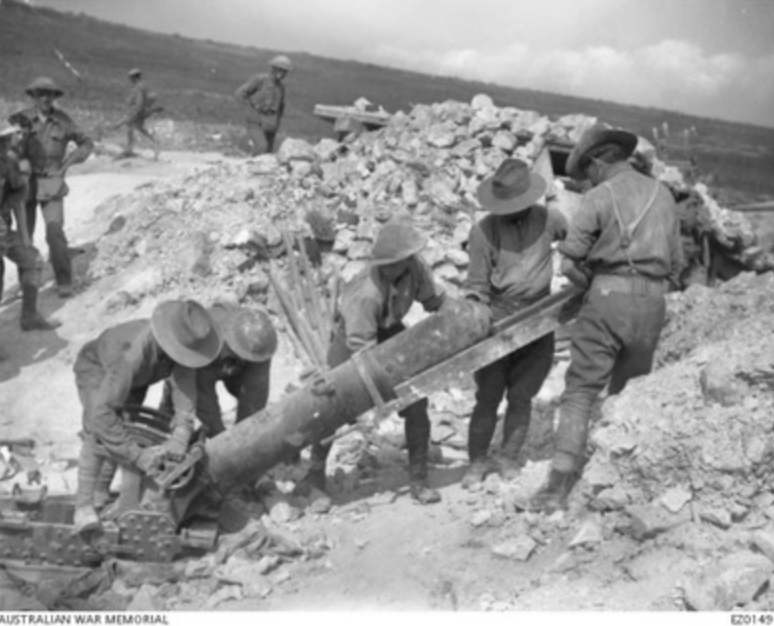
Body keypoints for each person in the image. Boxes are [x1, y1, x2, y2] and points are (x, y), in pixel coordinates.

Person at [528, 124, 683, 513]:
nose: (587, 179)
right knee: (628, 391)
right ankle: (617, 479)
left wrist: (592, 283)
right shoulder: (663, 195)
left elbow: (572, 258)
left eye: (588, 171)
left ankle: (557, 486)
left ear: (599, 162)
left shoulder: (599, 197)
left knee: (580, 390)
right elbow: (678, 267)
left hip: (608, 298)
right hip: (653, 305)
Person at [307, 221, 449, 504]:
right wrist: (379, 400)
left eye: (402, 262)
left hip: (389, 332)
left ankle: (418, 480)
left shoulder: (414, 268)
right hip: (352, 346)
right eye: (391, 265)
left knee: (416, 400)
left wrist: (455, 315)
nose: (397, 268)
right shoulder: (365, 293)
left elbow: (434, 301)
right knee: (331, 409)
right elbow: (363, 353)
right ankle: (313, 473)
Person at [72, 299, 223, 532]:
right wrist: (138, 456)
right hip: (98, 369)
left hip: (135, 380)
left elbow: (184, 387)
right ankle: (83, 507)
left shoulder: (182, 344)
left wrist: (181, 433)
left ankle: (102, 498)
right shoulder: (132, 354)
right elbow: (102, 416)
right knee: (100, 432)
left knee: (125, 429)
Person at [462, 159, 568, 489]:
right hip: (497, 319)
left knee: (522, 397)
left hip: (538, 319)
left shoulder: (550, 219)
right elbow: (477, 286)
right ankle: (478, 462)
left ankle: (508, 457)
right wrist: (480, 319)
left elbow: (577, 242)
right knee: (488, 396)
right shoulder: (483, 231)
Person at [10, 77, 94, 298]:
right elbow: (6, 144)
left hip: (52, 183)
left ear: (55, 97)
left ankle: (64, 280)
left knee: (54, 231)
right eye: (40, 93)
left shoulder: (64, 121)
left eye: (49, 93)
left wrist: (68, 163)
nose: (45, 97)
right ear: (34, 96)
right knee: (24, 235)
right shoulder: (21, 119)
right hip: (25, 184)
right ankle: (26, 283)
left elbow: (87, 142)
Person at [159, 303, 278, 437]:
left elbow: (255, 398)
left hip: (234, 364)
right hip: (207, 360)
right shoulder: (207, 336)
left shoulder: (261, 346)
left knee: (250, 423)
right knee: (180, 393)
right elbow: (204, 396)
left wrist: (243, 438)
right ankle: (161, 425)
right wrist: (220, 434)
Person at [0, 124, 60, 333]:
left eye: (7, 139)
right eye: (3, 140)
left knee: (33, 260)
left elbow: (17, 199)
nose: (6, 144)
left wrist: (25, 236)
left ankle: (30, 317)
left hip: (3, 231)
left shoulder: (8, 164)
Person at [235, 55, 292, 155]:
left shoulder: (281, 88)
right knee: (261, 147)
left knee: (267, 153)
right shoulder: (260, 80)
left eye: (284, 71)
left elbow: (281, 107)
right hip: (256, 121)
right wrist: (250, 113)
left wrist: (277, 123)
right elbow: (240, 94)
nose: (281, 73)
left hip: (271, 123)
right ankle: (252, 168)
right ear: (273, 68)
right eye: (279, 69)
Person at [113, 68, 161, 160]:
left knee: (129, 127)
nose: (130, 80)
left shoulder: (139, 87)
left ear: (134, 78)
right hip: (143, 110)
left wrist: (131, 115)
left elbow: (139, 103)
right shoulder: (143, 85)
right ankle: (155, 142)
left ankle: (128, 151)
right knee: (139, 127)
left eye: (130, 78)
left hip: (138, 111)